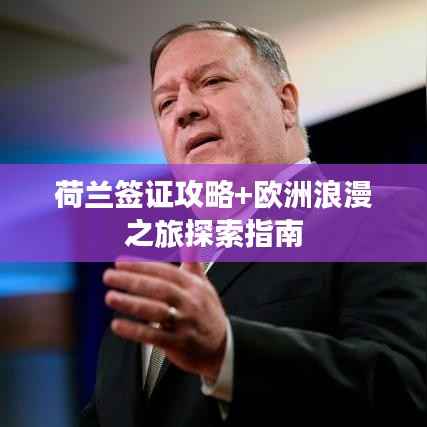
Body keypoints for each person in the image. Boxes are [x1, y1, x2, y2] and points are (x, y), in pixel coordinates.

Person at [80, 21, 426, 426]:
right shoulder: (149, 294)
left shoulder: (376, 215)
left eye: (211, 81)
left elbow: (407, 389)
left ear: (286, 104)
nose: (184, 111)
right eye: (165, 103)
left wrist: (227, 352)